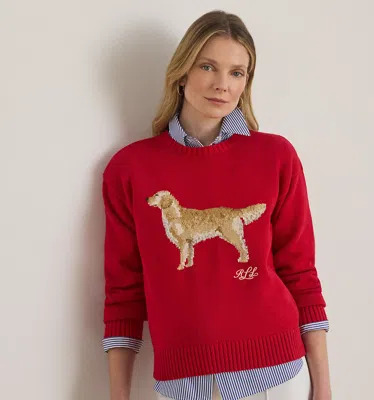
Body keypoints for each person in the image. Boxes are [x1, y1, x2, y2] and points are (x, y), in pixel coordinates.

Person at [101, 10, 332, 400]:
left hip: (277, 376)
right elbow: (124, 292)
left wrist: (323, 386)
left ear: (246, 82)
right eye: (207, 66)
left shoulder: (276, 157)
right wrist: (118, 395)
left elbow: (300, 273)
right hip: (180, 383)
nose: (222, 84)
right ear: (182, 73)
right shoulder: (129, 169)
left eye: (237, 72)